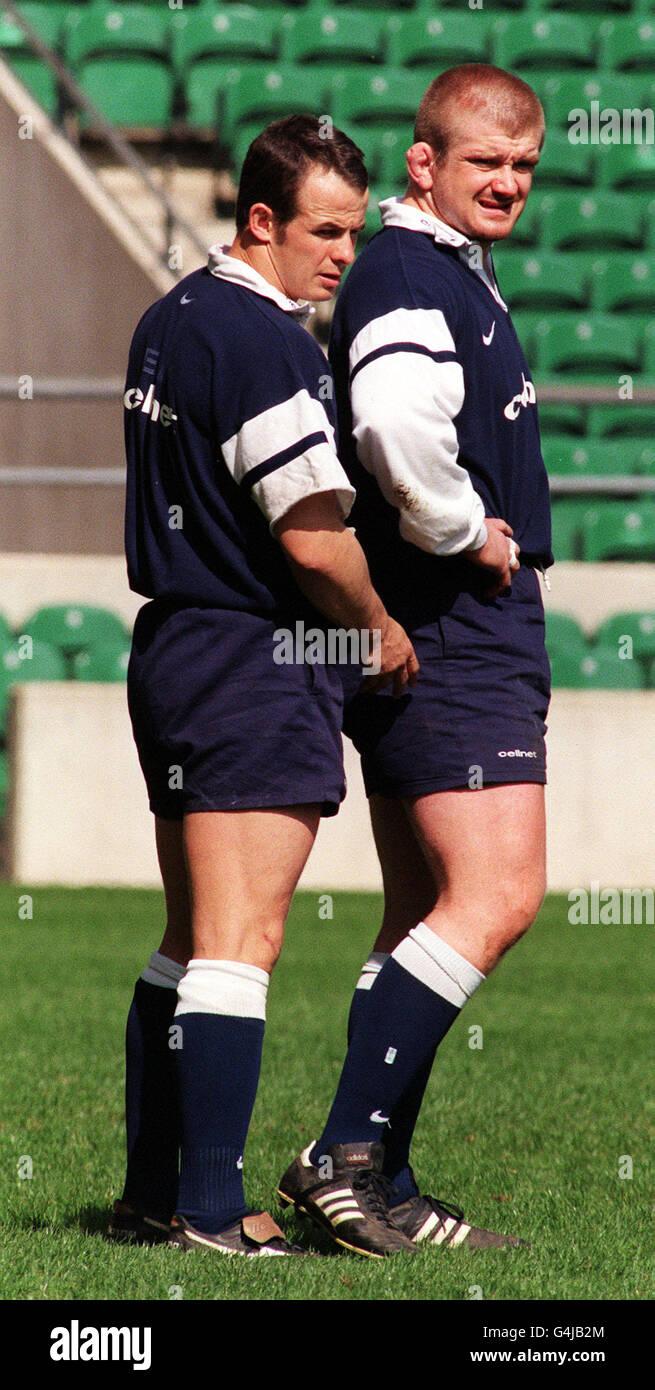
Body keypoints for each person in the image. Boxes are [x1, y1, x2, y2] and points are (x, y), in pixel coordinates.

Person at [111, 115, 418, 1259]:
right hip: (252, 655)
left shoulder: (168, 318)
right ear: (260, 221)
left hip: (176, 649)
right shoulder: (265, 341)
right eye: (324, 231)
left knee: (191, 936)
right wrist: (380, 626)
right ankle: (205, 1209)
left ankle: (152, 1194)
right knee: (245, 939)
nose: (343, 253)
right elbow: (308, 536)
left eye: (353, 229)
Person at [279, 66, 553, 1255]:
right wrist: (461, 531)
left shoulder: (439, 274)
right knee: (497, 897)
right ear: (422, 164)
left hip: (437, 627)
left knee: (416, 915)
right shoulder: (408, 272)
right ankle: (342, 1152)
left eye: (524, 166)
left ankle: (379, 1179)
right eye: (482, 160)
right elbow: (393, 427)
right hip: (453, 623)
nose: (507, 182)